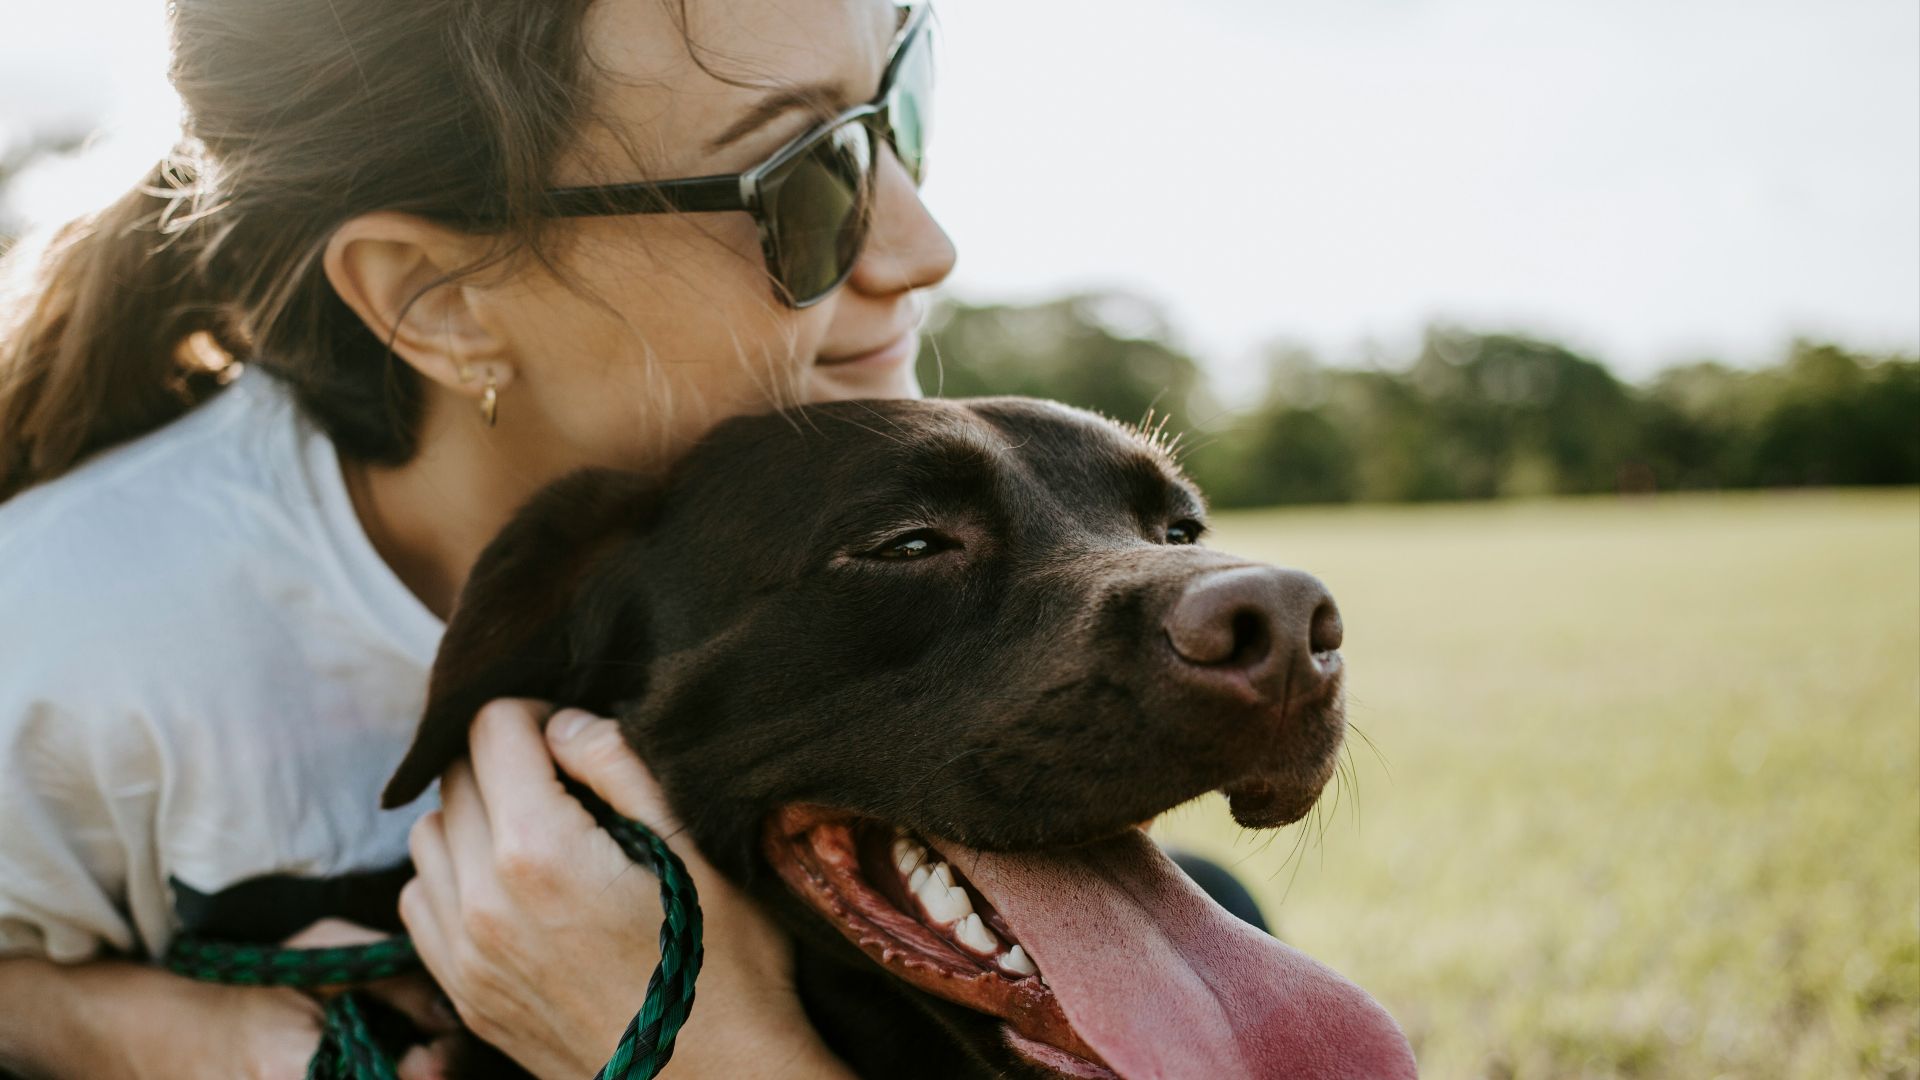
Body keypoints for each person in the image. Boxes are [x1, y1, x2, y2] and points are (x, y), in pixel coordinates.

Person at [0, 0, 949, 1075]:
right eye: (806, 181)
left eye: (898, 104)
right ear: (437, 301)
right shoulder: (61, 636)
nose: (924, 247)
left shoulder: (913, 555)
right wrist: (179, 1040)